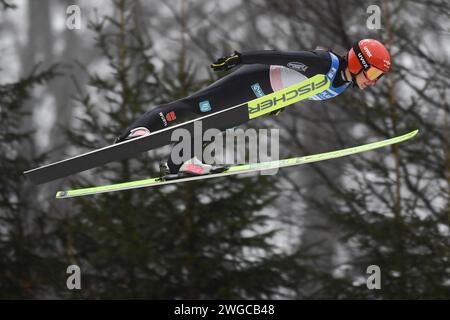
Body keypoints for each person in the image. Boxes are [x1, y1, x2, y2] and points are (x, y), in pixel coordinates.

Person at [115, 38, 391, 177]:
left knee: (216, 124)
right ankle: (138, 132)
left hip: (261, 99)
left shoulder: (342, 84)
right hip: (252, 81)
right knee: (193, 108)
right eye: (374, 74)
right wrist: (240, 58)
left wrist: (281, 104)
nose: (373, 82)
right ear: (359, 64)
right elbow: (282, 57)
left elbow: (301, 89)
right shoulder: (323, 63)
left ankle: (177, 163)